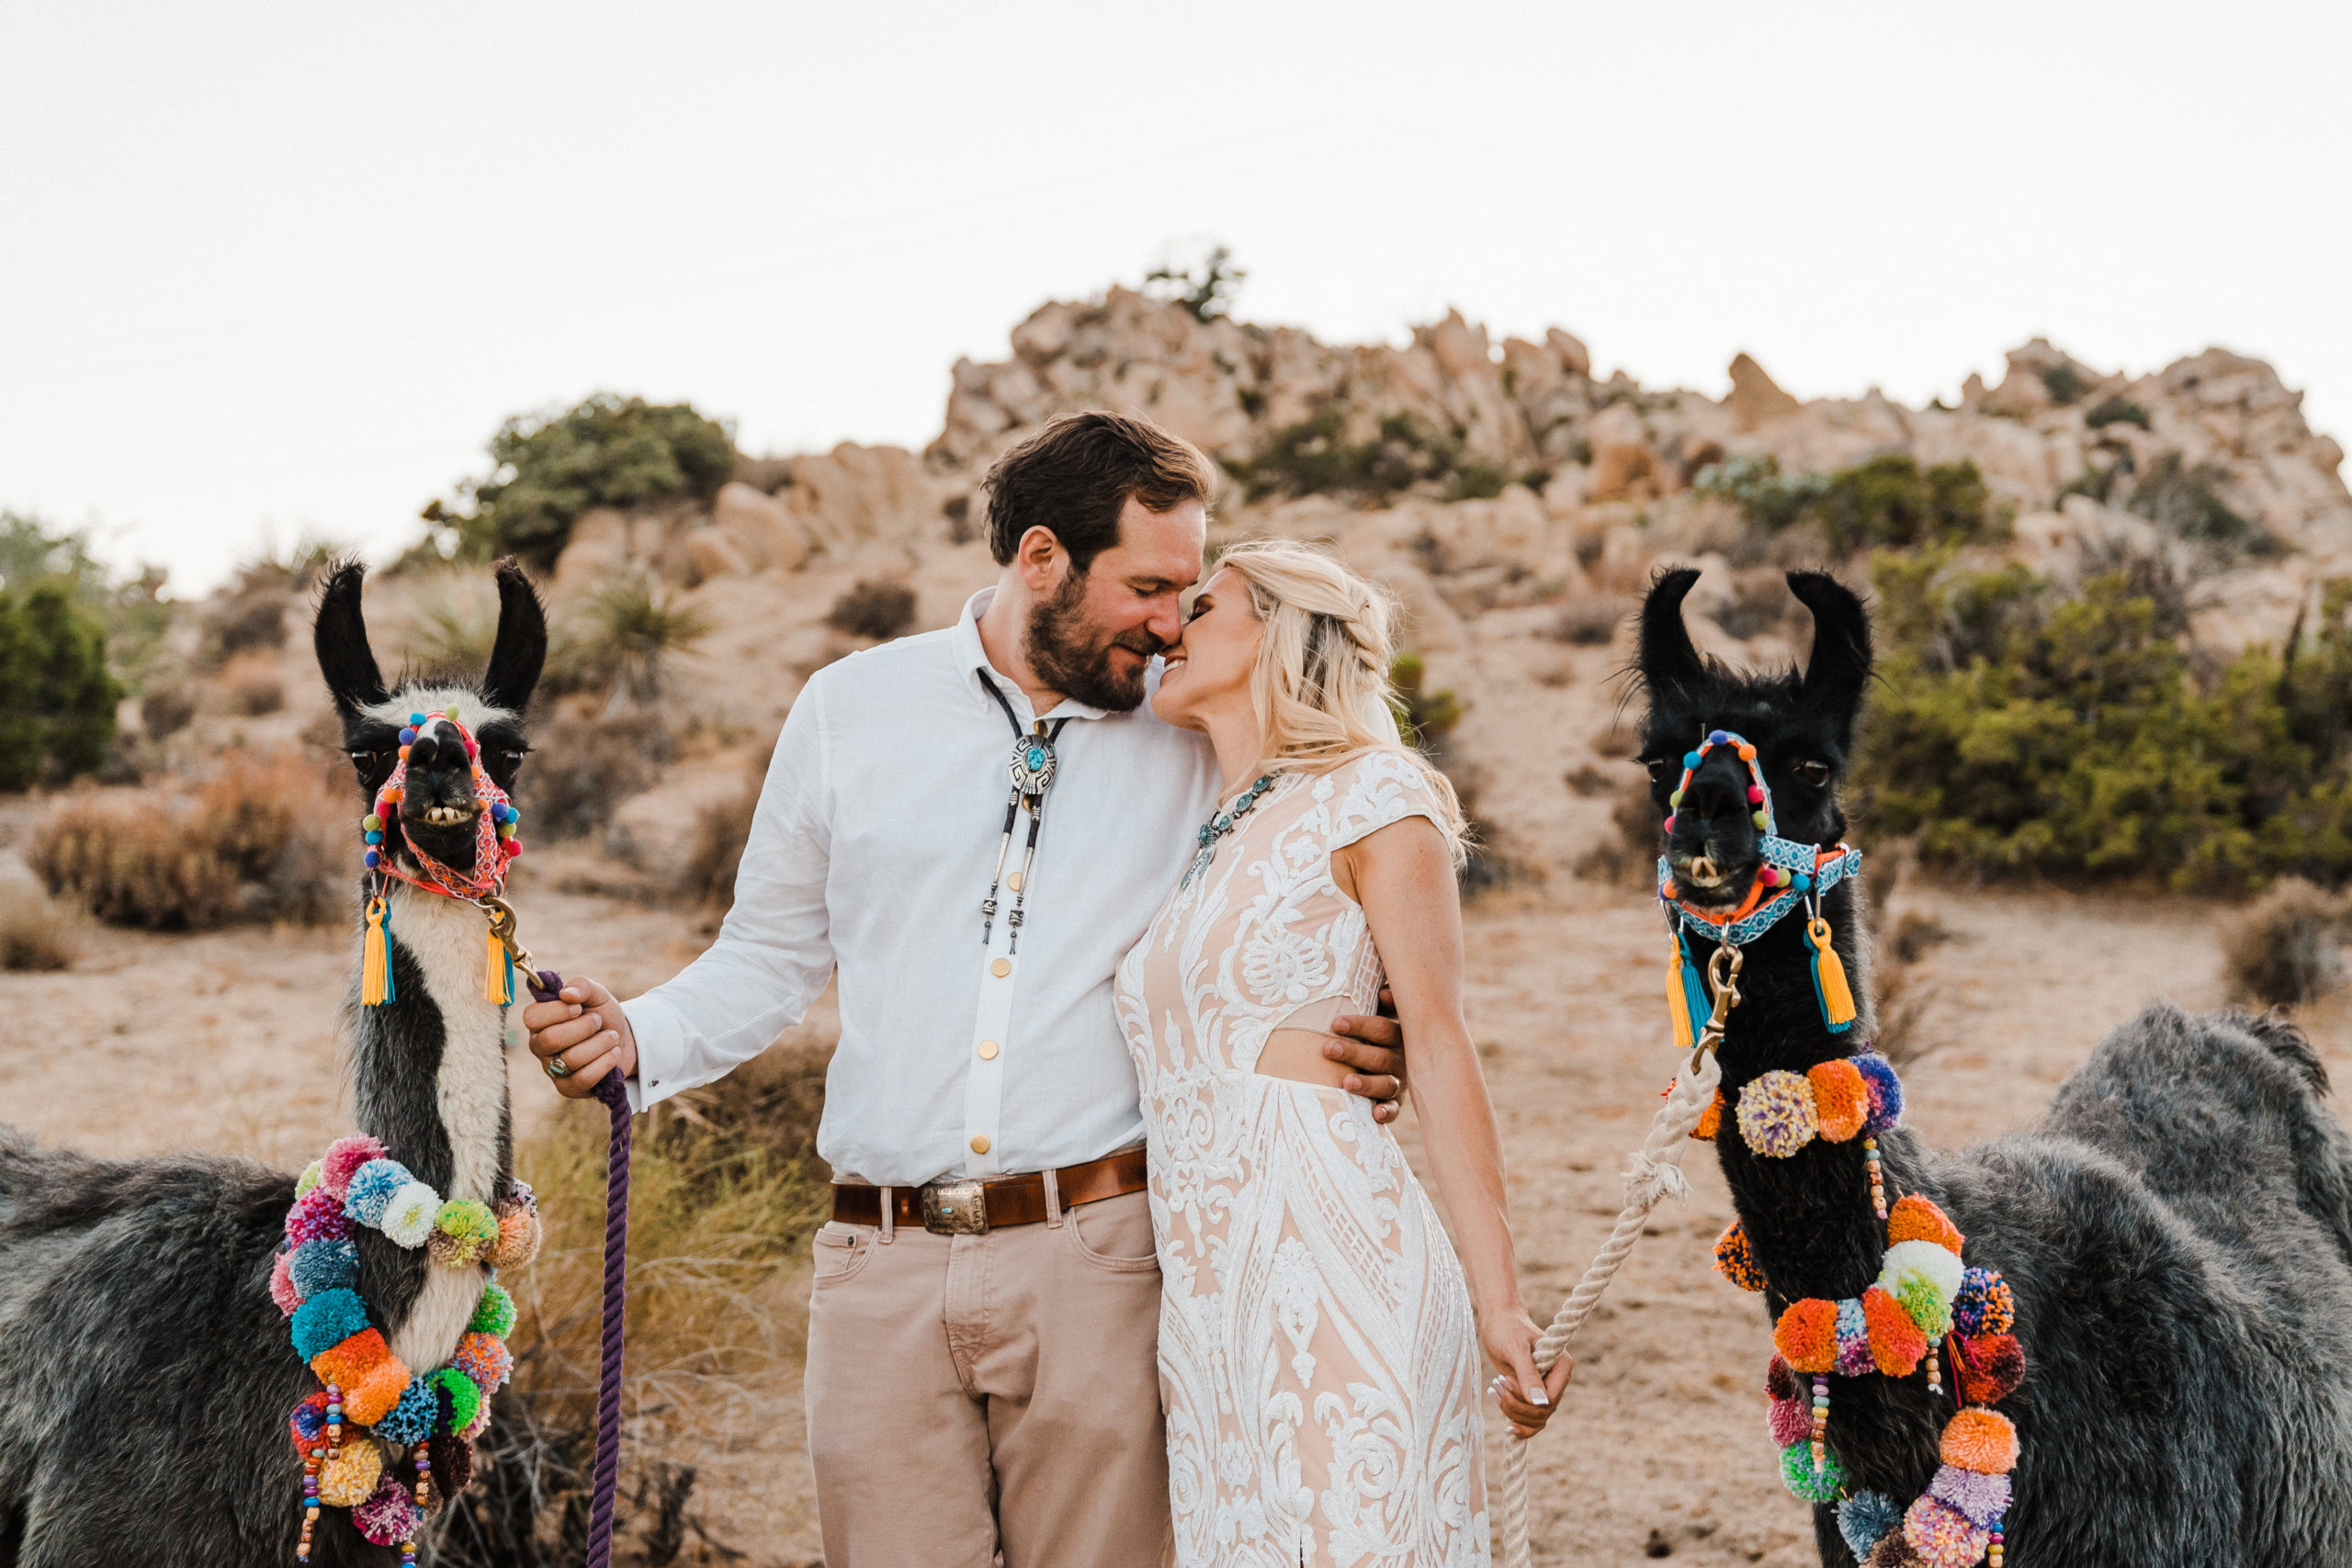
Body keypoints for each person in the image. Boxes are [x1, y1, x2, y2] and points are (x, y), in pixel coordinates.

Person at [519, 412, 1410, 1567]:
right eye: (1145, 585)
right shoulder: (849, 709)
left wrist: (1354, 1027)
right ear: (1041, 558)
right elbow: (770, 956)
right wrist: (637, 1032)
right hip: (875, 1266)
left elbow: (1308, 889)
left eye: (1186, 593)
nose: (1167, 621)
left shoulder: (1195, 731)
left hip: (1105, 1258)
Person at [1116, 538, 1566, 1567]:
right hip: (1206, 1305)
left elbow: (1442, 1049)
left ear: (1277, 633)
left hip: (1337, 1274)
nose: (1168, 630)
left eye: (1203, 607)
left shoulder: (1375, 794)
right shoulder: (1209, 830)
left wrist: (1502, 1302)